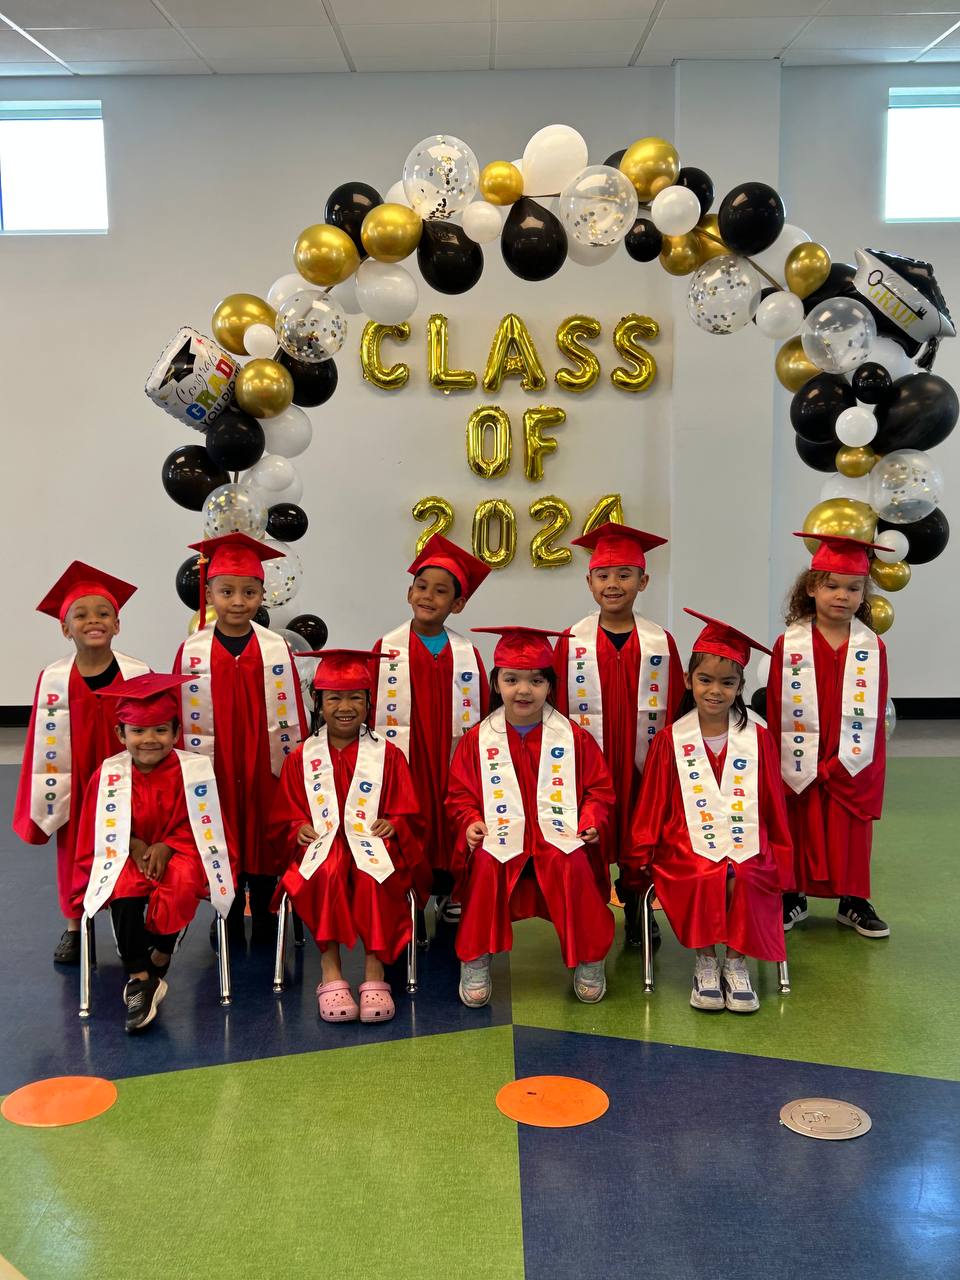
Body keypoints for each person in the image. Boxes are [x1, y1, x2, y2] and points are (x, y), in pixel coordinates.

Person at [623, 611, 794, 1014]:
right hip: (684, 839)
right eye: (705, 680)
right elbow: (654, 805)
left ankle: (736, 963)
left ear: (740, 687)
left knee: (748, 872)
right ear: (688, 681)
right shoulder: (670, 740)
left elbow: (771, 802)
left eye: (728, 682)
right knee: (704, 872)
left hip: (746, 835)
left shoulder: (759, 738)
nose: (715, 691)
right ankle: (705, 962)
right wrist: (641, 853)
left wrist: (779, 852)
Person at [446, 626, 616, 1008]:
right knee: (489, 862)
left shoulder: (573, 737)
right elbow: (460, 795)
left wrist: (590, 819)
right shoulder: (478, 739)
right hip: (502, 834)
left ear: (551, 686)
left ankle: (590, 956)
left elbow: (599, 791)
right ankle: (476, 957)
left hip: (557, 833)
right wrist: (471, 821)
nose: (524, 690)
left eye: (536, 680)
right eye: (512, 680)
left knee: (569, 861)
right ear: (496, 683)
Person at [269, 650, 430, 1024]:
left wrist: (396, 823)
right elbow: (284, 815)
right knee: (326, 871)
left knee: (375, 873)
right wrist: (297, 828)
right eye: (334, 698)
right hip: (322, 844)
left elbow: (408, 811)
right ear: (318, 703)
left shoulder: (387, 755)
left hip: (373, 841)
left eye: (356, 697)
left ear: (369, 703)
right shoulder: (301, 758)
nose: (345, 706)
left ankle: (375, 973)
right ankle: (331, 972)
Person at [72, 673, 236, 1034]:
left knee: (180, 881)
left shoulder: (193, 771)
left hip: (185, 850)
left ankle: (158, 960)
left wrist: (166, 845)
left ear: (177, 733)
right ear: (120, 735)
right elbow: (96, 828)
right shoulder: (108, 774)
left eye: (161, 730)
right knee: (124, 888)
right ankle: (140, 976)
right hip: (123, 852)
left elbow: (207, 826)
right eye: (138, 731)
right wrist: (133, 845)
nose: (150, 740)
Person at [174, 532, 306, 947]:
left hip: (263, 761)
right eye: (226, 591)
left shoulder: (275, 648)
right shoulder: (192, 651)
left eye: (249, 592)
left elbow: (293, 716)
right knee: (221, 831)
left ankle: (268, 915)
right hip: (215, 763)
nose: (237, 601)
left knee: (267, 832)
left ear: (262, 596)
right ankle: (225, 916)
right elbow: (178, 717)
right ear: (209, 593)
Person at [554, 522, 684, 944]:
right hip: (587, 767)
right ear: (588, 582)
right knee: (589, 836)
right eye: (603, 576)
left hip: (642, 763)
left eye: (625, 575)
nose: (614, 584)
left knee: (641, 837)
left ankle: (637, 909)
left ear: (643, 581)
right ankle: (591, 913)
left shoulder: (660, 643)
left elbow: (677, 703)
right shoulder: (570, 642)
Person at [13, 562, 149, 965]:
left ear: (118, 624)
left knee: (129, 838)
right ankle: (76, 925)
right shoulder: (53, 678)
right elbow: (39, 745)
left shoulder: (136, 673)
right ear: (65, 627)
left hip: (124, 776)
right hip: (74, 779)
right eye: (82, 615)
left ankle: (132, 918)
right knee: (73, 848)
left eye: (104, 614)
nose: (94, 621)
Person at [766, 533, 890, 938]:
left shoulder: (872, 647)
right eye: (832, 586)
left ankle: (852, 899)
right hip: (801, 754)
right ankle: (792, 894)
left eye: (854, 588)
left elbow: (873, 711)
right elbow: (776, 706)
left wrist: (844, 758)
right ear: (811, 588)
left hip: (849, 757)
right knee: (798, 820)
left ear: (863, 594)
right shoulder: (790, 645)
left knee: (849, 826)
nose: (843, 596)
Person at [371, 534, 490, 925]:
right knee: (410, 815)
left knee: (453, 814)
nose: (428, 596)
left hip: (450, 757)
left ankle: (454, 889)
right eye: (422, 587)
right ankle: (410, 893)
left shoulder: (466, 653)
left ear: (457, 604)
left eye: (441, 592)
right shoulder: (386, 648)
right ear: (409, 593)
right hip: (408, 757)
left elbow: (485, 712)